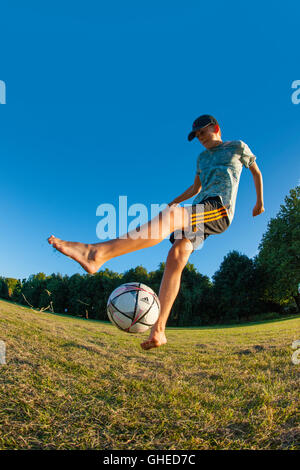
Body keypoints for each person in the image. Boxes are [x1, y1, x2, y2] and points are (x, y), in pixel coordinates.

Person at [48, 114, 265, 350]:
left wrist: (259, 202)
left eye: (203, 132)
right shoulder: (201, 158)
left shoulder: (237, 147)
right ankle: (159, 331)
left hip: (219, 208)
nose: (200, 138)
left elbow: (256, 172)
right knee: (176, 255)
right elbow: (196, 188)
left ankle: (96, 253)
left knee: (173, 220)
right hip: (199, 206)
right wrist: (173, 201)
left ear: (216, 128)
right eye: (197, 136)